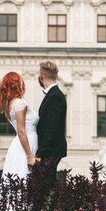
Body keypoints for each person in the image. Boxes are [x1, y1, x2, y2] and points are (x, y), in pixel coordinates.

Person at [35, 60, 67, 199]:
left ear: (41, 76)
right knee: (47, 188)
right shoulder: (53, 94)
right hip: (51, 150)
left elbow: (51, 129)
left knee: (45, 190)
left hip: (50, 151)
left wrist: (40, 153)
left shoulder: (54, 96)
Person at [0, 71, 38, 179]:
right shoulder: (19, 103)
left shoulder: (8, 105)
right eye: (21, 82)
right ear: (16, 85)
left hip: (20, 144)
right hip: (27, 143)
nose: (24, 85)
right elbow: (21, 131)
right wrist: (29, 156)